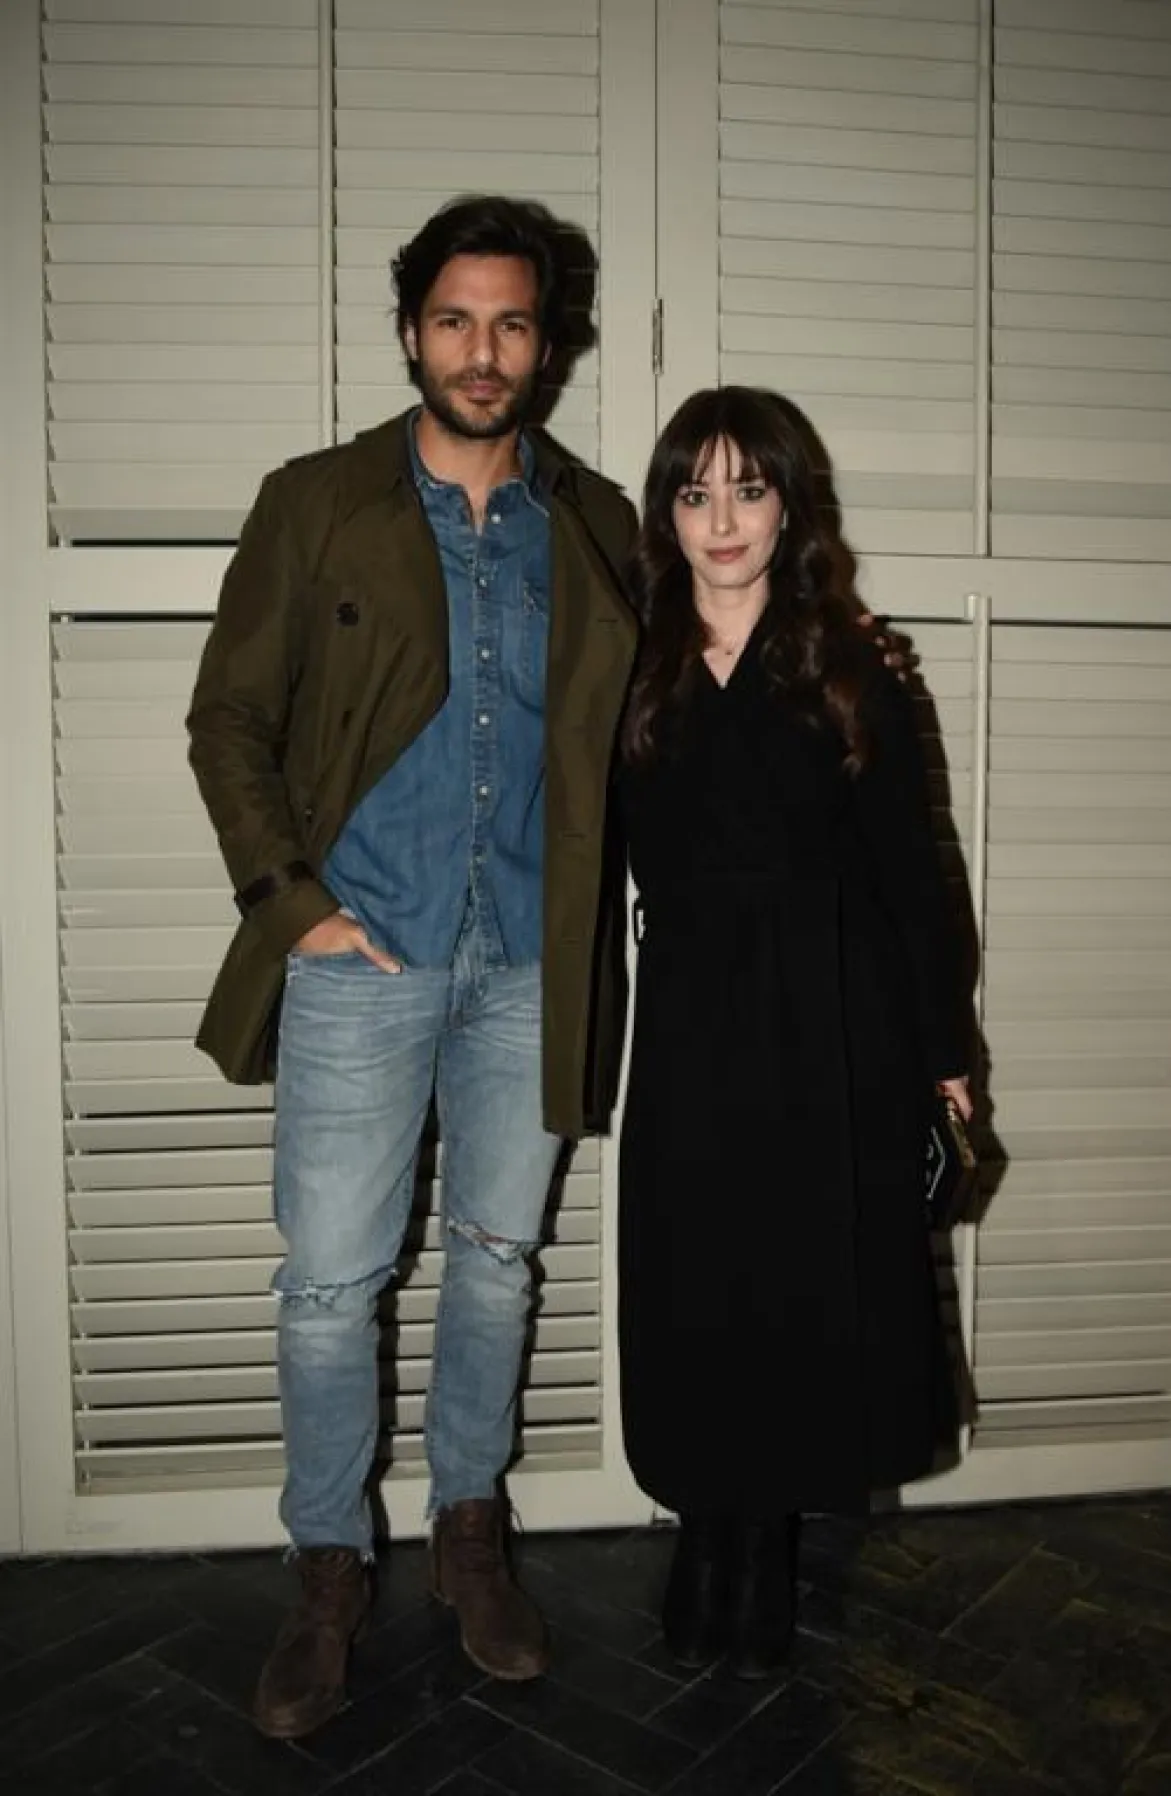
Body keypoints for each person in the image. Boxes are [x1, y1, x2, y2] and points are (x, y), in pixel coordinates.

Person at [185, 195, 639, 1739]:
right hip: (362, 958)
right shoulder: (315, 503)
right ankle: (328, 1573)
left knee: (499, 1263)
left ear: (548, 344)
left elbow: (644, 730)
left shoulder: (596, 523)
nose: (482, 350)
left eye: (511, 322)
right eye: (455, 320)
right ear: (410, 332)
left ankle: (470, 1537)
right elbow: (229, 719)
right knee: (331, 1287)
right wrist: (293, 905)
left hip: (529, 962)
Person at [615, 386, 974, 1679]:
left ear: (789, 506)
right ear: (666, 513)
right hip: (692, 1019)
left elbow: (914, 879)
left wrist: (945, 1056)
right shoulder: (628, 662)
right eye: (695, 491)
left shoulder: (852, 666)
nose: (723, 520)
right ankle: (705, 1527)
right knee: (697, 1280)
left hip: (833, 1019)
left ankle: (761, 1546)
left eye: (749, 489)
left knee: (798, 1285)